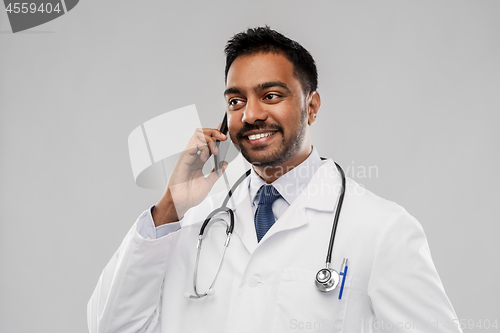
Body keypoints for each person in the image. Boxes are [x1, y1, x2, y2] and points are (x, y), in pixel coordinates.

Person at [88, 26, 462, 333]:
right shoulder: (188, 222)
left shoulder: (382, 230)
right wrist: (170, 205)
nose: (250, 115)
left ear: (311, 106)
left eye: (270, 95)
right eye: (236, 101)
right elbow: (111, 326)